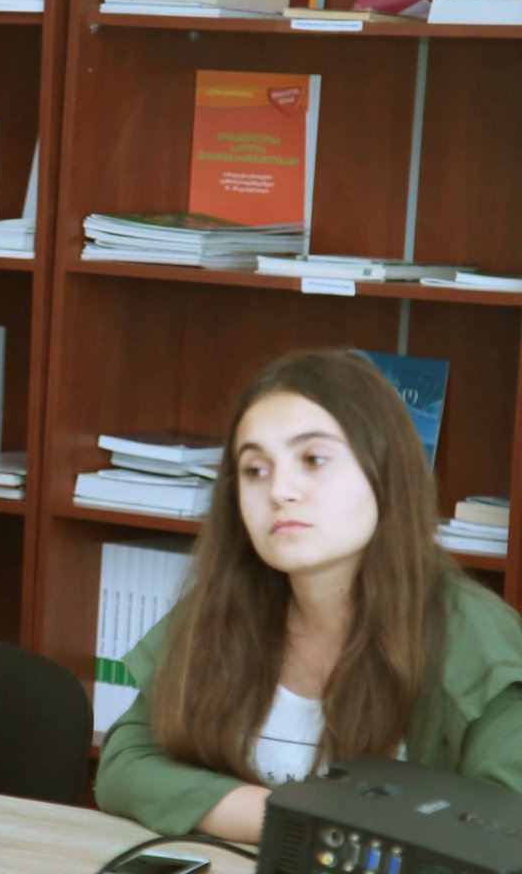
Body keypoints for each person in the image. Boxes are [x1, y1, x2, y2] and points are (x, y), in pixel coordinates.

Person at [95, 349, 522, 841]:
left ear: (386, 472)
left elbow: (503, 831)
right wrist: (294, 818)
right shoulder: (225, 602)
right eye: (255, 469)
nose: (281, 490)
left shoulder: (474, 637)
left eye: (314, 459)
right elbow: (127, 763)